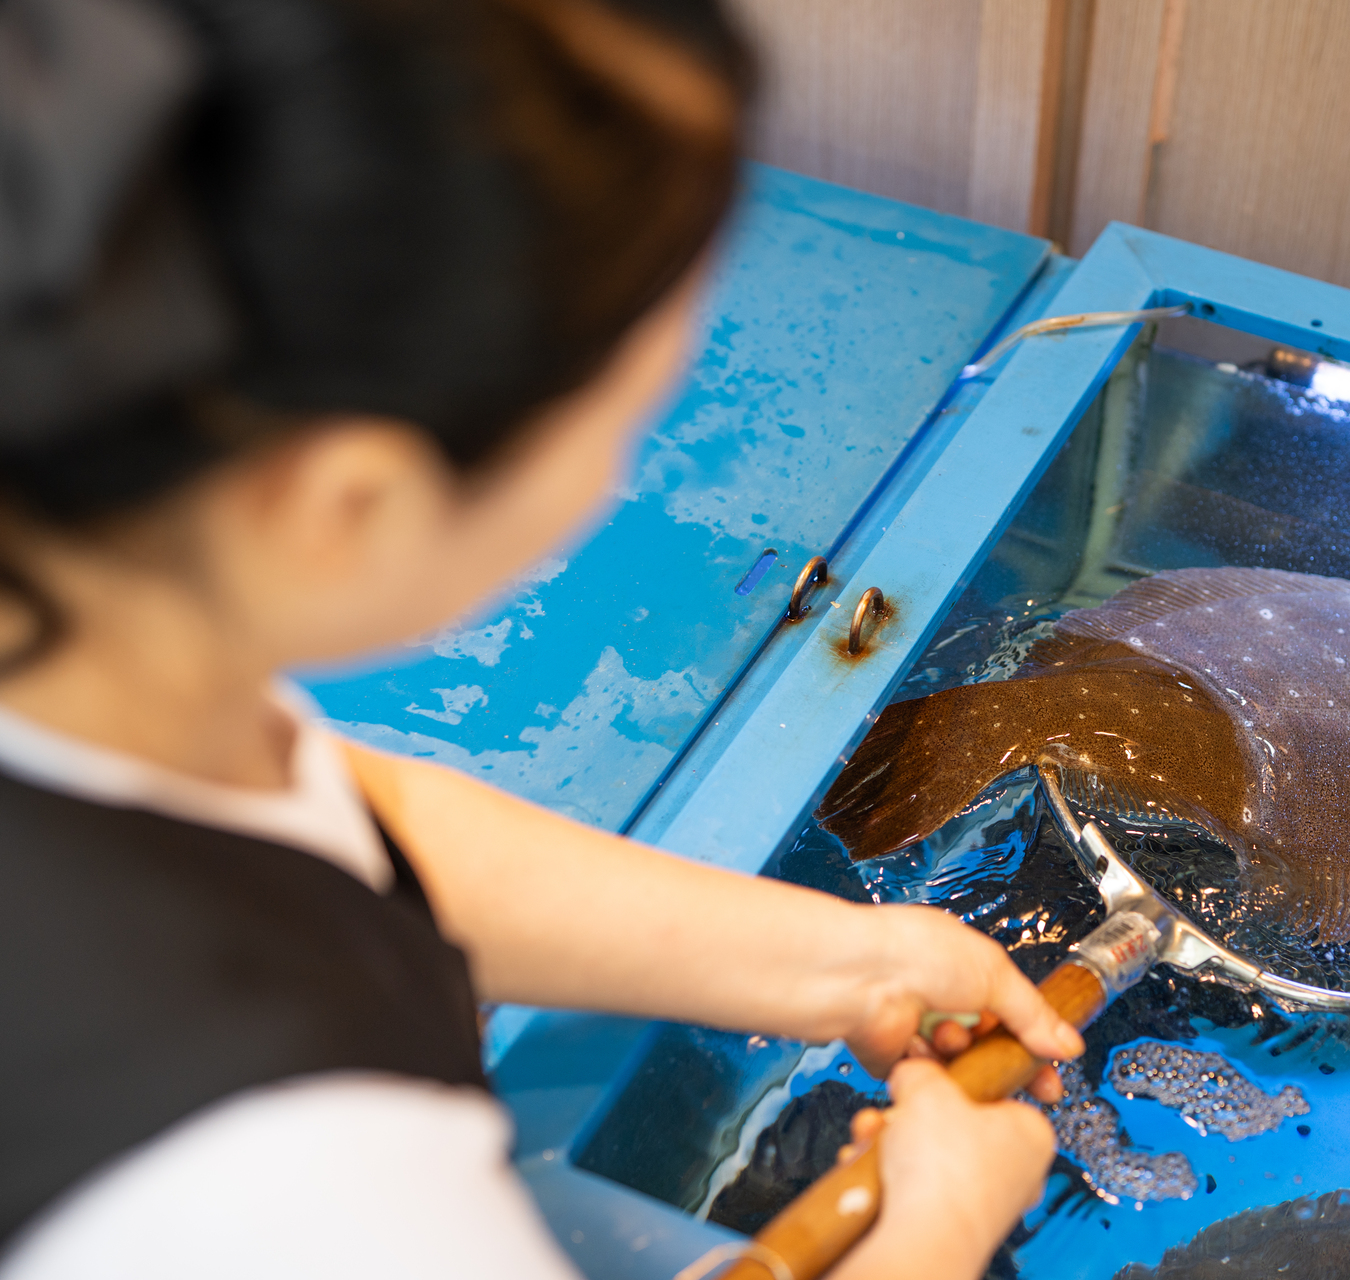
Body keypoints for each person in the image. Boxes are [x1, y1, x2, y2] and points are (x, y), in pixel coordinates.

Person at [0, 1, 1081, 1277]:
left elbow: (350, 822)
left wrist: (854, 960)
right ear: (348, 506)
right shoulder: (280, 1198)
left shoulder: (105, 665)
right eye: (622, 418)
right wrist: (938, 1232)